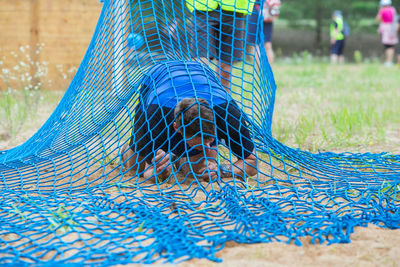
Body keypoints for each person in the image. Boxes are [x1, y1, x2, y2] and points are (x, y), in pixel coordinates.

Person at [122, 60, 257, 181]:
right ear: (177, 128)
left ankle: (179, 159)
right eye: (201, 143)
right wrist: (159, 172)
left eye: (211, 141)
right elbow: (148, 171)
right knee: (135, 167)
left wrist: (223, 170)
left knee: (200, 171)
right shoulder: (156, 113)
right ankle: (125, 150)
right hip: (158, 79)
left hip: (201, 75)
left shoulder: (228, 113)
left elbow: (252, 162)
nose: (209, 148)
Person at [185, 0, 254, 92]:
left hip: (234, 7)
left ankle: (222, 102)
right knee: (199, 64)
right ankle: (199, 100)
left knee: (226, 70)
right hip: (202, 6)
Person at [247, 0, 281, 65]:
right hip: (269, 10)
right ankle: (268, 72)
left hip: (257, 10)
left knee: (255, 44)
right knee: (267, 44)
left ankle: (259, 72)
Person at [376, 0, 398, 67]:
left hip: (386, 29)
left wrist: (379, 12)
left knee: (388, 46)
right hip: (392, 28)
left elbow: (378, 19)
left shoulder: (383, 10)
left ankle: (388, 61)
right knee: (391, 46)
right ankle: (389, 60)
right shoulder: (393, 10)